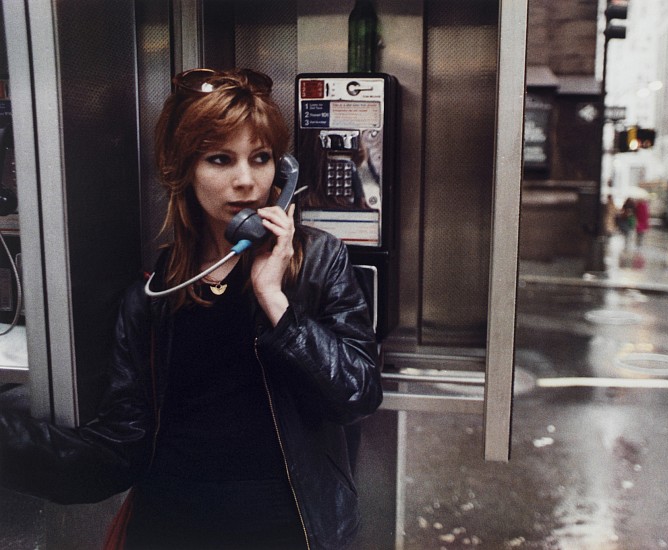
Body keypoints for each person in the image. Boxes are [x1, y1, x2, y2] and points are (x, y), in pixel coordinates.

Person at [0, 68, 382, 549]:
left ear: (283, 173)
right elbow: (119, 450)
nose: (246, 181)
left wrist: (275, 300)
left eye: (260, 158)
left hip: (284, 529)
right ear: (183, 170)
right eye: (220, 159)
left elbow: (359, 394)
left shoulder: (318, 262)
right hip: (169, 526)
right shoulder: (154, 294)